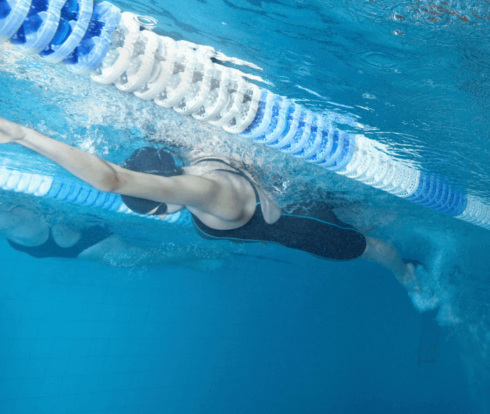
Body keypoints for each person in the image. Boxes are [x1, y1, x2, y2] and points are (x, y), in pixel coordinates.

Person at [0, 121, 420, 291]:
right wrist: (22, 136)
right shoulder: (201, 174)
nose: (168, 211)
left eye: (159, 208)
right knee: (368, 228)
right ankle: (407, 267)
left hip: (299, 222)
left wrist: (23, 136)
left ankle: (409, 277)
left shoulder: (206, 193)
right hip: (289, 217)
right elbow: (117, 178)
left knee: (377, 244)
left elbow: (113, 179)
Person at [1, 204, 228, 272]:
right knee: (152, 257)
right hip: (72, 241)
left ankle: (211, 254)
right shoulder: (10, 217)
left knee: (153, 256)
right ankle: (201, 259)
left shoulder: (12, 221)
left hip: (84, 244)